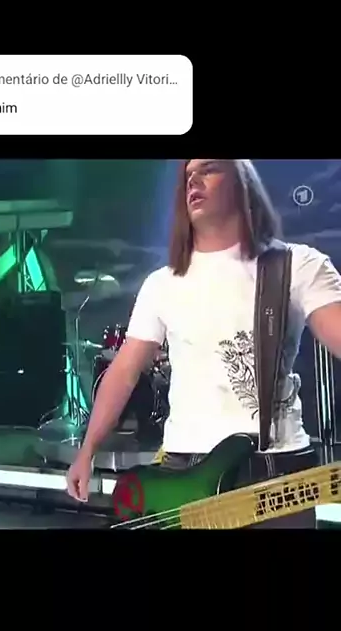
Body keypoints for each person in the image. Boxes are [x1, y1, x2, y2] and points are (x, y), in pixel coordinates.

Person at [66, 159, 341, 528]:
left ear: (242, 181)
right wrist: (87, 449)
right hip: (183, 471)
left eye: (209, 169)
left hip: (274, 470)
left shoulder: (298, 265)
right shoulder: (162, 283)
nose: (193, 181)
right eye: (187, 176)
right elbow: (124, 372)